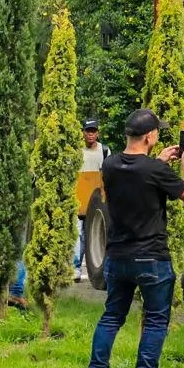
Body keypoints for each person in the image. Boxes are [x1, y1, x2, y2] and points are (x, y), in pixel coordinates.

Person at [82, 109, 184, 368]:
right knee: (157, 319)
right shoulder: (154, 171)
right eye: (157, 131)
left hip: (117, 256)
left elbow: (135, 174)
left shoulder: (109, 165)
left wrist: (155, 162)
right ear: (149, 136)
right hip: (151, 258)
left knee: (111, 317)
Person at [74, 119, 110, 282]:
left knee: (95, 235)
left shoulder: (104, 151)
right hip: (78, 201)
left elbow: (108, 175)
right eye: (88, 131)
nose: (91, 134)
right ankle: (75, 268)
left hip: (97, 203)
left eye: (93, 131)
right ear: (83, 132)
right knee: (78, 235)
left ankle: (100, 269)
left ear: (97, 133)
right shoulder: (76, 152)